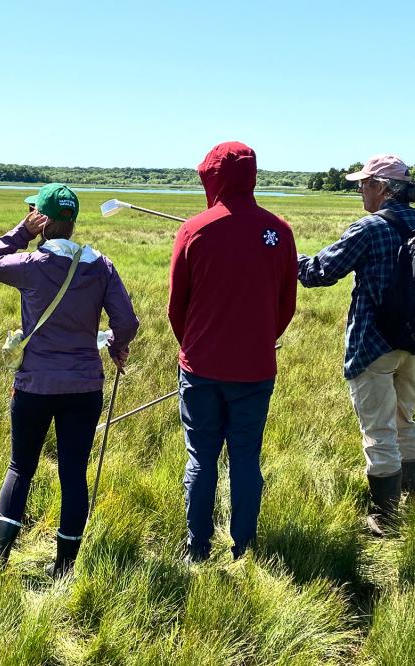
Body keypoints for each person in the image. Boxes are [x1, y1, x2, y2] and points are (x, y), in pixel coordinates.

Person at [0, 183, 139, 575]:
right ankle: (64, 567)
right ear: (74, 220)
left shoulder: (32, 265)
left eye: (35, 213)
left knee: (21, 467)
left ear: (44, 220)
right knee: (72, 472)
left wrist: (21, 232)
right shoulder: (100, 266)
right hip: (84, 388)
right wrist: (116, 344)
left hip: (34, 386)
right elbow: (127, 323)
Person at [297, 154, 415, 536]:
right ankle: (412, 504)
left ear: (381, 187)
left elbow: (318, 273)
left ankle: (386, 521)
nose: (360, 190)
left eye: (364, 183)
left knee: (378, 432)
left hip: (373, 345)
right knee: (404, 423)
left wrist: (287, 257)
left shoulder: (369, 228)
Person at [168, 141, 298, 562]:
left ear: (214, 178)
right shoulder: (278, 231)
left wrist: (194, 345)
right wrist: (260, 336)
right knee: (245, 457)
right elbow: (286, 305)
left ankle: (197, 548)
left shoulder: (194, 230)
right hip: (255, 368)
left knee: (202, 457)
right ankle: (243, 549)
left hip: (201, 368)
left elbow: (176, 307)